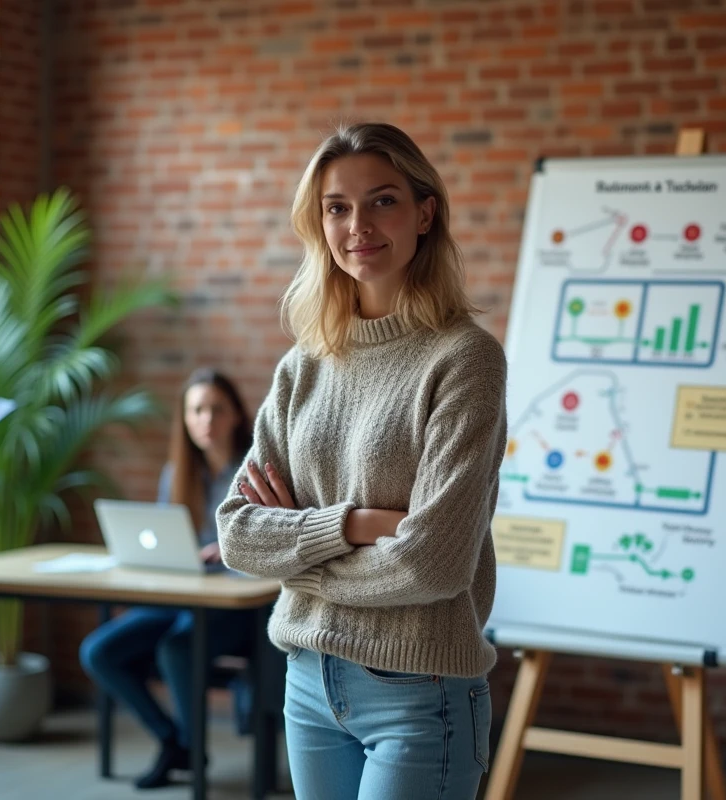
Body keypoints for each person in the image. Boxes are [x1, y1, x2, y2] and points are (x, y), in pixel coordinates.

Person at [216, 122, 508, 799]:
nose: (358, 225)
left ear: (424, 212)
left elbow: (433, 564)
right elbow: (235, 533)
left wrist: (298, 563)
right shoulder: (302, 367)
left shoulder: (463, 359)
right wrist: (356, 526)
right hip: (308, 682)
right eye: (336, 207)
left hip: (418, 690)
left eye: (382, 201)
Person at [79, 368, 255, 790]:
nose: (206, 420)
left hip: (236, 605)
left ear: (235, 415)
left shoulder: (255, 472)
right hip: (182, 597)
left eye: (216, 409)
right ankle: (174, 741)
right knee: (99, 651)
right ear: (185, 418)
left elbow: (274, 552)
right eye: (196, 410)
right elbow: (165, 544)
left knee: (177, 649)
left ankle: (190, 750)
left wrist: (230, 552)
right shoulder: (176, 475)